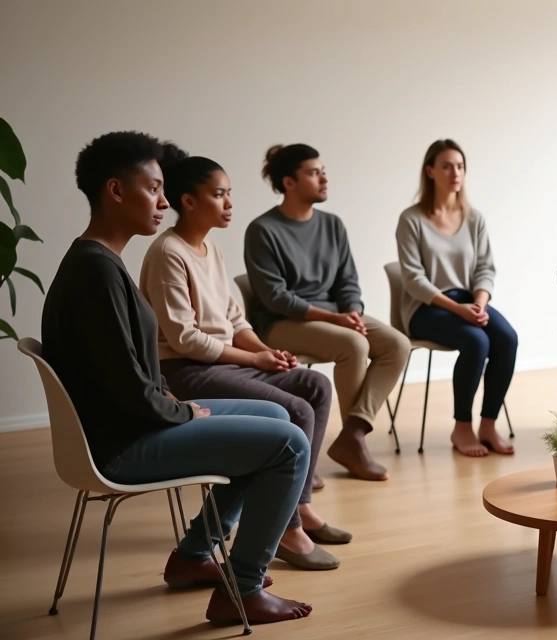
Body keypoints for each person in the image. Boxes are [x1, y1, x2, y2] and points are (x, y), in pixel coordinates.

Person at [42, 131, 311, 625]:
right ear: (115, 190)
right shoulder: (96, 272)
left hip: (130, 425)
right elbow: (127, 388)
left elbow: (119, 371)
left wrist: (167, 399)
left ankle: (193, 555)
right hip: (121, 446)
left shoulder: (99, 263)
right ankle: (242, 589)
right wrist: (182, 410)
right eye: (153, 189)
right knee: (289, 445)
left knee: (275, 414)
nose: (164, 202)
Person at [141, 143, 351, 571]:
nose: (229, 203)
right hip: (187, 371)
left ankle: (300, 506)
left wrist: (266, 351)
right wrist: (254, 361)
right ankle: (289, 529)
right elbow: (184, 339)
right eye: (219, 194)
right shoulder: (168, 253)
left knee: (315, 385)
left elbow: (235, 319)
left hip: (223, 362)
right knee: (294, 409)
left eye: (229, 193)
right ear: (189, 201)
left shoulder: (211, 249)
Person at [244, 143, 411, 481]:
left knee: (397, 344)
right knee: (354, 344)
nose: (324, 179)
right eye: (313, 173)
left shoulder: (333, 225)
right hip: (281, 323)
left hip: (335, 316)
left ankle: (353, 435)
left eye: (323, 171)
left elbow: (348, 281)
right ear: (289, 182)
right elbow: (276, 298)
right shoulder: (263, 230)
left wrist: (352, 312)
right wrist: (337, 320)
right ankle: (342, 449)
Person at [395, 139, 518, 457]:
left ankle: (488, 425)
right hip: (426, 308)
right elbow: (413, 280)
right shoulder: (412, 220)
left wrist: (479, 303)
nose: (455, 173)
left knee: (507, 338)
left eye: (460, 166)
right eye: (447, 166)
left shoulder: (473, 218)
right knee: (477, 341)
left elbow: (485, 268)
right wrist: (459, 310)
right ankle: (461, 426)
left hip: (468, 301)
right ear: (430, 171)